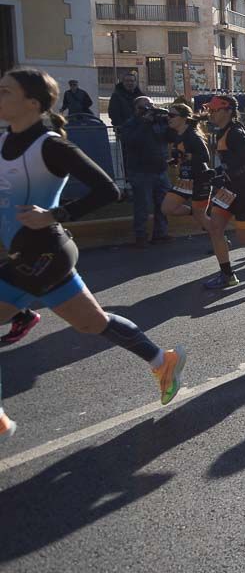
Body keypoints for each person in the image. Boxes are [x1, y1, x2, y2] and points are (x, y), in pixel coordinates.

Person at [0, 68, 187, 409]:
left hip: (43, 254)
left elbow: (107, 189)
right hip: (26, 256)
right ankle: (163, 361)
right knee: (93, 323)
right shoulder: (3, 142)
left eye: (6, 92)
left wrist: (53, 215)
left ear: (31, 103)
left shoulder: (51, 146)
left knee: (91, 323)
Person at [202, 95, 245, 290]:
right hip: (229, 189)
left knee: (244, 239)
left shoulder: (236, 133)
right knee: (215, 228)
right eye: (209, 110)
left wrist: (227, 175)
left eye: (214, 110)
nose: (210, 114)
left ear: (228, 111)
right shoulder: (221, 131)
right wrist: (218, 173)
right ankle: (227, 275)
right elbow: (230, 163)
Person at [122, 95, 172, 248]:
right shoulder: (132, 124)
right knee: (142, 205)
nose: (149, 109)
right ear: (137, 109)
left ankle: (160, 234)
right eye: (145, 107)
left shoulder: (158, 122)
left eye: (151, 105)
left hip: (160, 169)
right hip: (141, 171)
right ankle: (141, 236)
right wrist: (144, 123)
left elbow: (168, 138)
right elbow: (131, 142)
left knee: (162, 204)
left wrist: (167, 121)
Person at [161, 102, 213, 237]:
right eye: (168, 115)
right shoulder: (178, 134)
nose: (168, 118)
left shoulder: (192, 135)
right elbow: (183, 156)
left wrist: (185, 156)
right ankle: (195, 212)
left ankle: (220, 240)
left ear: (184, 118)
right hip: (184, 180)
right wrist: (175, 160)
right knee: (167, 208)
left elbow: (205, 157)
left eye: (172, 115)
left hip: (200, 179)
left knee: (201, 217)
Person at [107, 70, 143, 136]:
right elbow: (113, 113)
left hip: (140, 129)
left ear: (135, 82)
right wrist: (121, 126)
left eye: (132, 81)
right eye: (127, 81)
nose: (129, 83)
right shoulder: (117, 96)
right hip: (124, 129)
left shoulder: (141, 95)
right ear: (123, 82)